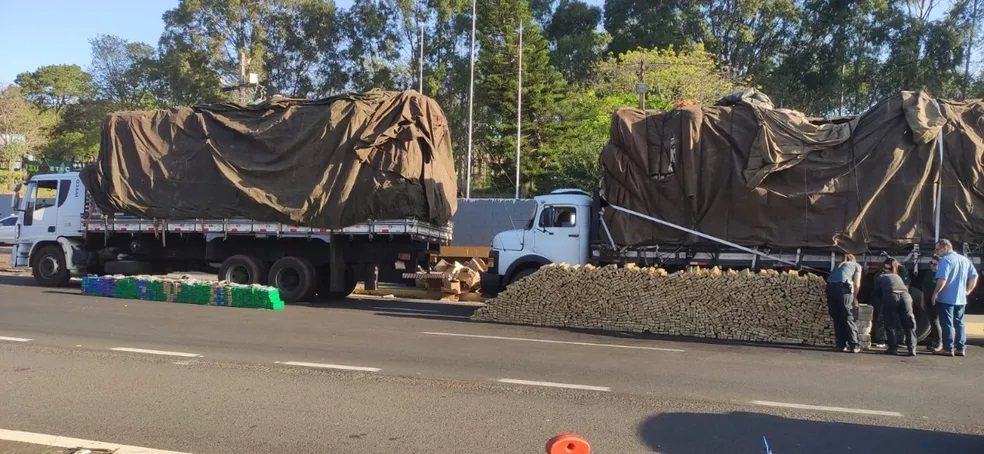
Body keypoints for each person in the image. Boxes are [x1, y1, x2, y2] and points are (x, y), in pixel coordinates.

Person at [931, 239, 979, 357]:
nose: (936, 253)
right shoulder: (964, 260)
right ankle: (960, 348)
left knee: (947, 323)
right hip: (961, 298)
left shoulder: (946, 260)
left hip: (946, 298)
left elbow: (942, 279)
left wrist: (935, 293)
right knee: (960, 323)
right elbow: (974, 276)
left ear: (945, 248)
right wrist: (968, 290)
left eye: (937, 249)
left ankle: (948, 348)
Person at [873, 258, 917, 356]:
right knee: (909, 322)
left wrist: (882, 302)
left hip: (891, 295)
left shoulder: (880, 276)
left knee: (890, 323)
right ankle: (912, 348)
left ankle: (893, 348)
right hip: (905, 296)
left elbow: (877, 292)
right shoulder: (898, 276)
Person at [826, 253, 862, 353]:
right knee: (848, 316)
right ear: (854, 260)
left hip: (830, 289)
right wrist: (855, 298)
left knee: (837, 317)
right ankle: (854, 345)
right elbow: (856, 283)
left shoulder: (838, 265)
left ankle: (840, 344)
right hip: (843, 290)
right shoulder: (856, 266)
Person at [919, 256, 943, 352]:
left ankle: (939, 341)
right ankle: (934, 340)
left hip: (936, 300)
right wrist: (922, 300)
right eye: (931, 263)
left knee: (936, 321)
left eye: (935, 264)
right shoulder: (928, 273)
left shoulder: (940, 274)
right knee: (932, 321)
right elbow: (924, 287)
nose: (932, 266)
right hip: (927, 298)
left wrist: (935, 296)